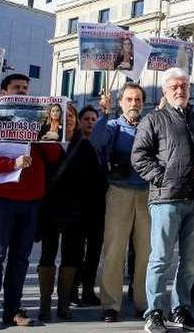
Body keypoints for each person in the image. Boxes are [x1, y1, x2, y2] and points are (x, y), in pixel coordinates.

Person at [0, 73, 63, 330]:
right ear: (3, 92)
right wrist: (10, 164)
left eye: (25, 88)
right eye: (16, 88)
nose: (22, 92)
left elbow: (54, 155)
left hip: (31, 199)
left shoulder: (38, 119)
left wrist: (46, 133)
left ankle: (13, 308)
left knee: (20, 258)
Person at [132, 67, 194, 333]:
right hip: (166, 199)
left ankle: (181, 309)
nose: (180, 91)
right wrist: (162, 177)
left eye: (184, 86)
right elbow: (139, 156)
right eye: (174, 87)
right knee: (160, 258)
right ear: (165, 90)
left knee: (190, 261)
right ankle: (153, 312)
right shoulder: (154, 119)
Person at [36, 103, 106, 321]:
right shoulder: (44, 142)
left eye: (70, 116)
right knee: (47, 254)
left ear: (75, 120)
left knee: (71, 256)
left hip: (76, 212)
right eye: (60, 114)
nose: (66, 119)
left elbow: (95, 182)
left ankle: (64, 303)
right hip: (49, 210)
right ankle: (45, 304)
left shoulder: (84, 146)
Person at [92, 84, 151, 322]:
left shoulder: (150, 124)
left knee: (146, 252)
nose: (134, 103)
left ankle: (142, 302)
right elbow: (97, 140)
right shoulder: (113, 125)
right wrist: (104, 114)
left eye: (138, 99)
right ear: (121, 102)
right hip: (119, 192)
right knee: (114, 251)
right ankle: (111, 304)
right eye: (129, 99)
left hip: (147, 194)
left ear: (143, 103)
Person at [73, 105, 103, 308]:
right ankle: (72, 290)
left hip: (99, 204)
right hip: (77, 205)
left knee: (94, 251)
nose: (90, 122)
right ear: (79, 121)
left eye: (94, 119)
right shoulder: (74, 144)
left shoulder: (101, 144)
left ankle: (88, 290)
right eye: (87, 119)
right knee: (76, 251)